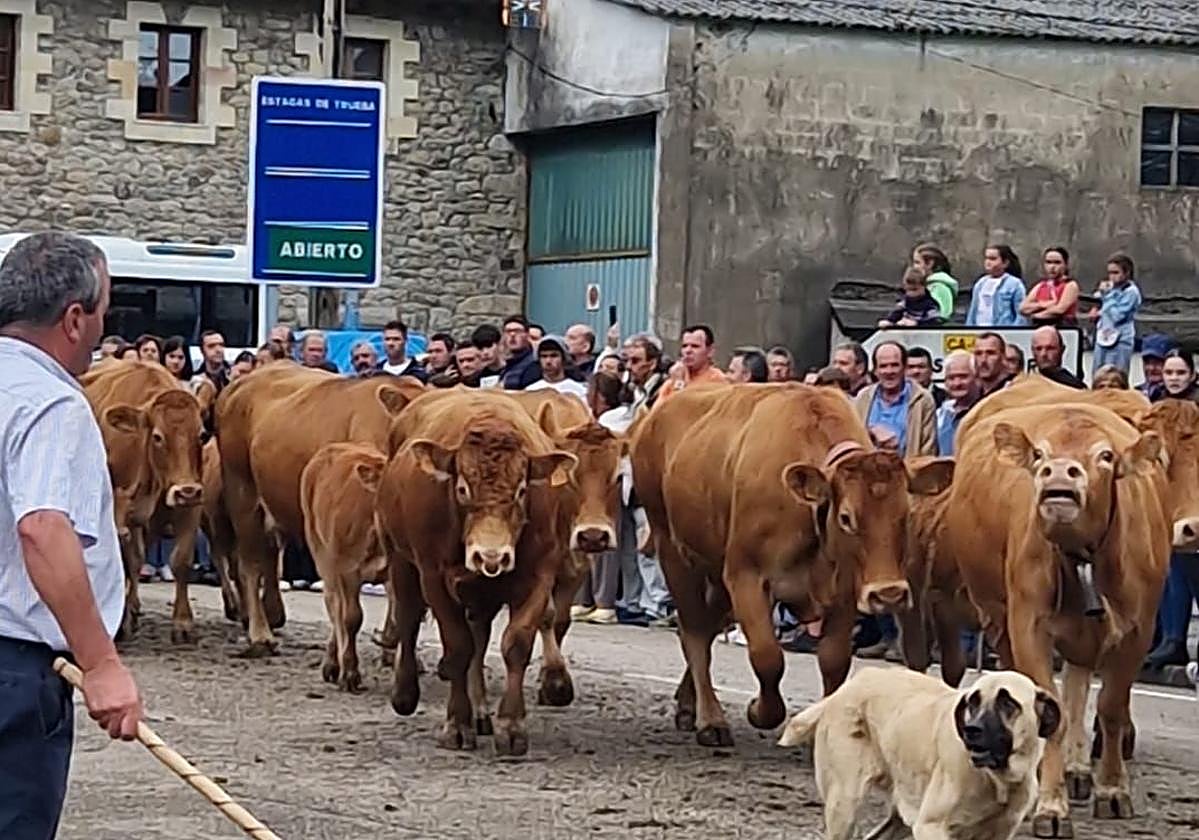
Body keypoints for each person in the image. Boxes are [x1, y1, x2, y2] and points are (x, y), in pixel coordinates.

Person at [0, 231, 142, 837]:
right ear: (75, 319)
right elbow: (42, 527)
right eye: (105, 311)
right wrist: (101, 663)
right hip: (14, 668)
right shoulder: (50, 403)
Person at [853, 341, 938, 456]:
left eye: (895, 365)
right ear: (875, 371)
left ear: (904, 368)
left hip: (908, 466)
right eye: (883, 366)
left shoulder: (922, 399)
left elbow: (928, 450)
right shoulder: (863, 398)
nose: (889, 371)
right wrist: (871, 431)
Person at [1090, 253, 1141, 379]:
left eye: (1116, 272)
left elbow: (1117, 315)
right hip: (1103, 336)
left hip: (1120, 340)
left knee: (1116, 376)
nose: (1112, 277)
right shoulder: (1111, 289)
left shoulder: (1131, 292)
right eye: (1110, 273)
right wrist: (1096, 312)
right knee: (1098, 375)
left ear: (1127, 272)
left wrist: (1107, 296)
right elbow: (1100, 305)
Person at [655, 325, 725, 403]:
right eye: (684, 346)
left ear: (710, 351)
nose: (688, 351)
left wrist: (679, 385)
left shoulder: (717, 381)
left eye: (695, 346)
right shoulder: (672, 380)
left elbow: (686, 408)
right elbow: (658, 409)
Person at [966, 244, 1025, 327]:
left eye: (993, 259)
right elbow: (973, 311)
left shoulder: (1014, 284)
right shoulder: (980, 283)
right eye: (986, 258)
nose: (988, 262)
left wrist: (1015, 331)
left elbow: (1021, 313)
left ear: (1005, 263)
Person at [1020, 247, 1079, 327]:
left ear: (1065, 265)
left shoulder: (1070, 285)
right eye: (1048, 262)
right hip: (1039, 328)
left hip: (1063, 328)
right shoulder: (1041, 286)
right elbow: (1023, 308)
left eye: (1057, 263)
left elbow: (1059, 310)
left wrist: (1036, 315)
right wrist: (1044, 305)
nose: (1052, 267)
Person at [526, 335, 588, 404]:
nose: (548, 361)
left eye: (554, 356)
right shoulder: (530, 391)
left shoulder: (579, 391)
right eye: (544, 356)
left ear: (564, 358)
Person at [878, 268, 943, 328]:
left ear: (924, 287)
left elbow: (935, 322)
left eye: (914, 289)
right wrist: (889, 321)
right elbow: (896, 313)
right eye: (908, 290)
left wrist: (917, 323)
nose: (911, 294)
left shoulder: (930, 304)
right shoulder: (905, 301)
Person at [912, 244, 959, 322]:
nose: (914, 267)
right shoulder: (925, 285)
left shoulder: (939, 288)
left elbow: (942, 316)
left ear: (930, 264)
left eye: (917, 262)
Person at [1135, 333, 1174, 401]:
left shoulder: (1178, 394)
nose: (1151, 368)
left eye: (1157, 363)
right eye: (1147, 362)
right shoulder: (1135, 393)